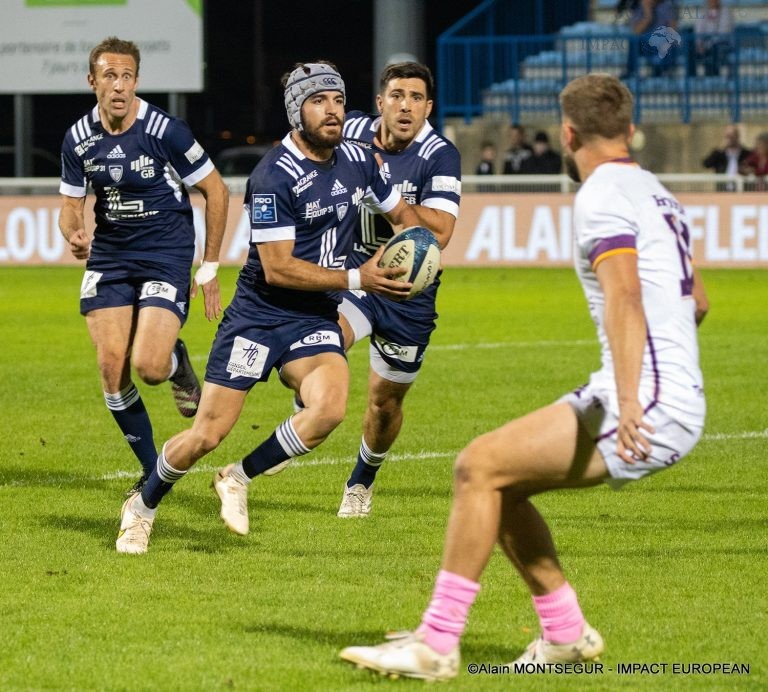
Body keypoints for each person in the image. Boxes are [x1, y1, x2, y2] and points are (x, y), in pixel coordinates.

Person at [339, 73, 709, 681]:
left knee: (477, 468)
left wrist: (636, 399)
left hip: (644, 399)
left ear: (567, 135)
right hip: (659, 388)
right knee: (499, 483)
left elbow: (624, 298)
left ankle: (435, 644)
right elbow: (698, 302)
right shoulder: (656, 191)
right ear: (630, 131)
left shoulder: (600, 194)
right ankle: (564, 634)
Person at [114, 61, 421, 554]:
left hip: (314, 316)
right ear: (296, 111)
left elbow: (403, 215)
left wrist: (414, 247)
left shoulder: (361, 160)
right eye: (319, 101)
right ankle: (144, 504)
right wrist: (361, 277)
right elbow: (279, 268)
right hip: (257, 320)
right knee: (207, 434)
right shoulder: (273, 176)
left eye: (339, 101)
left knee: (329, 409)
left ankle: (237, 477)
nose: (333, 111)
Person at [58, 36, 229, 495]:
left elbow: (217, 190)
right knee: (112, 367)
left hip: (165, 253)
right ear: (92, 81)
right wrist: (73, 233)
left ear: (136, 81)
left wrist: (209, 265)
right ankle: (154, 470)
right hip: (111, 257)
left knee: (149, 366)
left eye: (127, 76)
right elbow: (70, 205)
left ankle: (177, 363)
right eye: (109, 76)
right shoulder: (78, 138)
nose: (119, 85)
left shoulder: (165, 131)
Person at [335, 62, 461, 517]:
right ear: (380, 101)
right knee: (326, 343)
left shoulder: (440, 154)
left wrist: (387, 197)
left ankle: (361, 482)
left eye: (415, 98)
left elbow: (442, 232)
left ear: (428, 107)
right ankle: (307, 411)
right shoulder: (348, 130)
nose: (405, 105)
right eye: (396, 95)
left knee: (384, 403)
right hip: (356, 270)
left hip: (409, 293)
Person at [624, 0, 680, 78]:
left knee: (670, 45)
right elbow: (636, 32)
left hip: (664, 45)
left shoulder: (668, 6)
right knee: (633, 41)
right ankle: (632, 72)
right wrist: (648, 16)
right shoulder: (639, 9)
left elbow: (673, 30)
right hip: (646, 46)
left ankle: (662, 71)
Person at [702, 124, 750, 191]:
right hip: (722, 190)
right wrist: (720, 149)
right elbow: (706, 164)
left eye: (732, 136)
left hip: (741, 190)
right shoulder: (719, 153)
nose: (729, 139)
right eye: (727, 136)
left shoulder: (746, 153)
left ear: (737, 136)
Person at [693, 0, 734, 77]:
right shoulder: (703, 12)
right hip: (706, 45)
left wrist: (709, 42)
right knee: (691, 50)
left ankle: (714, 77)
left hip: (722, 44)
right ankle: (692, 77)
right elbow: (699, 30)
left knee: (715, 49)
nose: (712, 1)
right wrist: (699, 44)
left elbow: (724, 32)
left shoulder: (726, 12)